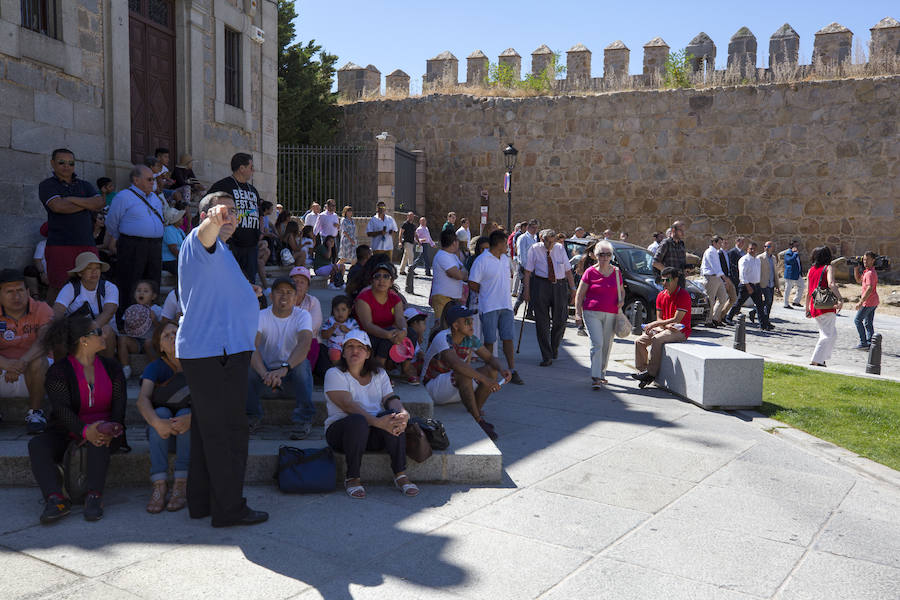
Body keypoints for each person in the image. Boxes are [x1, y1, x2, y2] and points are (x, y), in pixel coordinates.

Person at [176, 190, 268, 528]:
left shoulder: (222, 251)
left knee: (207, 431)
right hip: (216, 353)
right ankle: (230, 509)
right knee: (229, 432)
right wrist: (213, 220)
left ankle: (201, 502)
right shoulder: (199, 240)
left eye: (234, 212)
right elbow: (205, 234)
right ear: (206, 216)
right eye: (222, 211)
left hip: (216, 351)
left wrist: (247, 292)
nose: (230, 217)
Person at [28, 313, 126, 523]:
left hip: (107, 431)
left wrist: (111, 428)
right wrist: (84, 430)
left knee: (99, 437)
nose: (104, 335)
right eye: (98, 332)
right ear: (83, 340)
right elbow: (61, 410)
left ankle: (94, 496)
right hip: (67, 430)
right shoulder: (59, 371)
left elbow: (119, 407)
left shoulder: (113, 368)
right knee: (37, 445)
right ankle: (55, 499)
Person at [324, 329, 418, 499]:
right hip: (342, 433)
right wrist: (377, 422)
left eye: (360, 347)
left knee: (393, 415)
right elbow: (347, 405)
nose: (355, 350)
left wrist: (403, 413)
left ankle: (400, 474)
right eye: (350, 346)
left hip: (372, 432)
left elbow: (390, 398)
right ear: (343, 353)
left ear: (368, 353)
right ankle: (352, 478)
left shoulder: (379, 373)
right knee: (358, 421)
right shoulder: (334, 374)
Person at [421, 304, 510, 440]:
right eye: (467, 321)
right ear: (455, 325)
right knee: (463, 371)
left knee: (491, 370)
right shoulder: (443, 337)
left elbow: (490, 358)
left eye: (472, 320)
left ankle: (475, 412)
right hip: (432, 388)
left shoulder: (470, 338)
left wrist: (502, 370)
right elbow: (457, 365)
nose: (472, 324)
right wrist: (485, 380)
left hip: (454, 385)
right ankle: (478, 420)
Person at [247, 278, 314, 440]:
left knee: (302, 365)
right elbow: (252, 346)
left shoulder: (303, 315)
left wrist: (284, 369)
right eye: (279, 292)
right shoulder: (261, 315)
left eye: (289, 292)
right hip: (266, 379)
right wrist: (265, 374)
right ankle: (251, 416)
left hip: (291, 376)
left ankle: (303, 419)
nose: (284, 296)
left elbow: (305, 344)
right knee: (247, 364)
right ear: (271, 296)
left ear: (296, 297)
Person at [137, 322, 191, 513]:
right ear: (160, 346)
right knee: (160, 413)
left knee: (184, 414)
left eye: (175, 332)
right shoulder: (155, 367)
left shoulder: (195, 365)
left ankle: (181, 483)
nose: (172, 337)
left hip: (190, 433)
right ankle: (159, 485)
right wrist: (157, 423)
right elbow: (142, 399)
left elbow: (210, 399)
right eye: (166, 336)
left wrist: (191, 418)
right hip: (161, 434)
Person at [39, 148, 104, 303]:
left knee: (90, 285)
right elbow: (58, 207)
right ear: (52, 163)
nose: (66, 166)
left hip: (87, 243)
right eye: (61, 162)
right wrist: (87, 203)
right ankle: (51, 318)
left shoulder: (85, 185)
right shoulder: (47, 185)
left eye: (71, 163)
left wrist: (71, 199)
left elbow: (99, 203)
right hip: (60, 244)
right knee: (58, 286)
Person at [106, 164, 165, 326]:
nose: (153, 182)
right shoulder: (124, 196)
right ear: (136, 180)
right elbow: (112, 221)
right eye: (149, 179)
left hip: (154, 246)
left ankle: (148, 322)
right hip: (132, 245)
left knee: (153, 282)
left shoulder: (155, 198)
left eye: (153, 179)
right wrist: (121, 239)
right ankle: (126, 322)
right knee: (130, 282)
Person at [0, 269, 53, 434]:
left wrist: (22, 362)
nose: (16, 296)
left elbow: (44, 341)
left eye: (20, 290)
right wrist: (6, 364)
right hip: (3, 372)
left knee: (38, 360)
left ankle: (35, 413)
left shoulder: (42, 309)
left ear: (28, 291)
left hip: (37, 373)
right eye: (9, 292)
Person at [468, 230, 524, 385]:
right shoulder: (482, 260)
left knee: (508, 338)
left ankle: (512, 369)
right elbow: (472, 282)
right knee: (490, 340)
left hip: (505, 305)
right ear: (499, 244)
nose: (507, 246)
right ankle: (489, 369)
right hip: (489, 306)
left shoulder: (505, 259)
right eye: (505, 243)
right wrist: (485, 293)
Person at [354, 261, 419, 384]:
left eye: (386, 276)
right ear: (372, 280)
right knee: (390, 333)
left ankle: (406, 368)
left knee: (411, 333)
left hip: (388, 334)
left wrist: (403, 330)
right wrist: (388, 334)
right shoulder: (364, 298)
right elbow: (367, 325)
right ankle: (380, 369)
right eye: (377, 276)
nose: (381, 280)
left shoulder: (394, 298)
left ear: (391, 281)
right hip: (366, 337)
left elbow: (400, 318)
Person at [206, 153, 263, 286]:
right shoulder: (222, 186)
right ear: (242, 168)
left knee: (250, 283)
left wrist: (259, 232)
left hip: (251, 246)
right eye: (251, 167)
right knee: (229, 281)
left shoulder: (253, 190)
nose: (253, 170)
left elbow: (258, 213)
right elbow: (206, 206)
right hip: (231, 244)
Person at [574, 240, 624, 389]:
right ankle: (595, 376)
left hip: (611, 313)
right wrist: (578, 313)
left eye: (608, 254)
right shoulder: (590, 272)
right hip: (592, 312)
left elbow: (622, 290)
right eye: (601, 254)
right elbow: (580, 294)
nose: (605, 257)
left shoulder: (616, 272)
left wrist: (621, 300)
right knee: (597, 343)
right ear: (596, 255)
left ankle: (602, 373)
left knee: (607, 345)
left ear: (611, 256)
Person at [631, 267, 692, 389]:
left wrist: (655, 324)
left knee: (657, 339)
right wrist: (661, 325)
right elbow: (659, 318)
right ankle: (643, 371)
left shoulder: (683, 295)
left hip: (680, 331)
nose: (664, 283)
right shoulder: (661, 295)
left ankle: (651, 374)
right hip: (665, 328)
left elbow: (677, 319)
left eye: (667, 280)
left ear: (676, 279)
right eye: (662, 280)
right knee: (639, 341)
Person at [523, 229, 575, 366]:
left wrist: (573, 289)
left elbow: (568, 270)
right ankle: (546, 355)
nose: (550, 245)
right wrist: (526, 291)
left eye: (552, 242)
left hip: (559, 285)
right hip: (541, 285)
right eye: (547, 242)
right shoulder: (534, 249)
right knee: (542, 322)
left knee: (561, 319)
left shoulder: (559, 248)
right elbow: (527, 272)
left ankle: (554, 346)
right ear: (542, 239)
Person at [53, 252, 119, 357]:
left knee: (106, 330)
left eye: (97, 268)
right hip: (77, 333)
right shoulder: (70, 288)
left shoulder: (109, 287)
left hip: (101, 331)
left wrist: (89, 331)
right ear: (80, 273)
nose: (94, 272)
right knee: (59, 334)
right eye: (89, 268)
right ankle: (62, 366)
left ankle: (108, 365)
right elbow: (57, 312)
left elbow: (109, 312)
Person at [806, 246, 843, 367]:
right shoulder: (828, 268)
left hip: (815, 305)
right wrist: (840, 298)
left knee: (833, 334)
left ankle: (822, 358)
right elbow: (831, 284)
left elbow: (808, 292)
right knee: (827, 335)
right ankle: (817, 360)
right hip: (826, 304)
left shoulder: (811, 270)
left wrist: (807, 308)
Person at [117, 280, 162, 379]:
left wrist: (154, 320)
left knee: (148, 342)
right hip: (135, 343)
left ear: (153, 296)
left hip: (151, 343)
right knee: (122, 339)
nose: (141, 293)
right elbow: (125, 328)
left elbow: (162, 329)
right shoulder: (131, 310)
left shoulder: (157, 309)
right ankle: (126, 368)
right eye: (138, 290)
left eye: (146, 291)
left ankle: (153, 369)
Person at [726, 241, 774, 331]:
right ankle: (729, 317)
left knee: (759, 305)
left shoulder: (757, 260)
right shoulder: (744, 260)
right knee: (739, 303)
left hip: (756, 285)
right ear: (747, 249)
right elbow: (742, 275)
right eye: (751, 249)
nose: (752, 251)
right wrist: (748, 286)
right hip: (746, 285)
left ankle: (763, 325)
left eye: (754, 249)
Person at [430, 229, 468, 324]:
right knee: (442, 327)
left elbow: (463, 273)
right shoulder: (443, 256)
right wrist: (460, 273)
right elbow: (459, 275)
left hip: (452, 299)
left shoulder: (452, 256)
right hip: (443, 298)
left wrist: (460, 273)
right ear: (454, 242)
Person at [700, 235, 730, 327]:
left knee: (723, 298)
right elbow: (715, 267)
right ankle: (708, 320)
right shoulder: (710, 252)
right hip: (711, 277)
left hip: (717, 277)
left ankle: (715, 318)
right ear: (714, 242)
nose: (721, 245)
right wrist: (725, 278)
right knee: (711, 300)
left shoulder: (715, 252)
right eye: (719, 243)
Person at [321, 295, 359, 363]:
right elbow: (323, 335)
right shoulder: (330, 321)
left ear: (349, 311)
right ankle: (337, 367)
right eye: (337, 310)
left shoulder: (352, 322)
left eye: (343, 310)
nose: (340, 313)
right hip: (334, 347)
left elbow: (357, 336)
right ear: (333, 311)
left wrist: (347, 330)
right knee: (334, 354)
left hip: (349, 347)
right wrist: (332, 329)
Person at [853, 251, 879, 350]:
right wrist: (856, 269)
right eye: (864, 259)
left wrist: (861, 302)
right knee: (868, 323)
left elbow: (869, 288)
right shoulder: (868, 271)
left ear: (873, 260)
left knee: (857, 320)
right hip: (873, 301)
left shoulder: (870, 273)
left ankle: (864, 343)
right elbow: (858, 280)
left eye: (867, 259)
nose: (865, 261)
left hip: (868, 302)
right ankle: (871, 344)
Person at [513, 219, 539, 315]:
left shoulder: (535, 238)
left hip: (533, 267)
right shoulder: (523, 238)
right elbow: (521, 254)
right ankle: (516, 307)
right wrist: (526, 268)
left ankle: (529, 312)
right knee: (524, 288)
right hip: (525, 267)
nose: (535, 230)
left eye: (536, 228)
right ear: (528, 227)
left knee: (533, 289)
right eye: (533, 227)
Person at [162, 206, 187, 284]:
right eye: (180, 218)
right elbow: (173, 249)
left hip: (176, 259)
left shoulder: (179, 230)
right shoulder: (168, 229)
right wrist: (185, 260)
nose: (182, 219)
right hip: (169, 261)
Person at [782, 240, 804, 308]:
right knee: (788, 289)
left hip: (797, 274)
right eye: (795, 245)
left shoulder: (796, 253)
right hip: (790, 274)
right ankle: (785, 304)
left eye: (797, 245)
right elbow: (790, 261)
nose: (797, 247)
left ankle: (796, 301)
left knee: (801, 286)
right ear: (791, 246)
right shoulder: (788, 253)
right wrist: (795, 253)